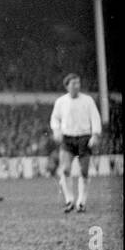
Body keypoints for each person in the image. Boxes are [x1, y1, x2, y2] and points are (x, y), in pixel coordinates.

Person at [50, 73, 102, 213]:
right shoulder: (61, 102)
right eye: (73, 83)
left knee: (84, 171)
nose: (77, 86)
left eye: (78, 83)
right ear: (67, 86)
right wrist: (56, 130)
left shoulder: (88, 100)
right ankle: (69, 200)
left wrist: (95, 135)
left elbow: (95, 118)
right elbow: (55, 118)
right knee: (65, 169)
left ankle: (81, 202)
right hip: (67, 138)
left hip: (84, 138)